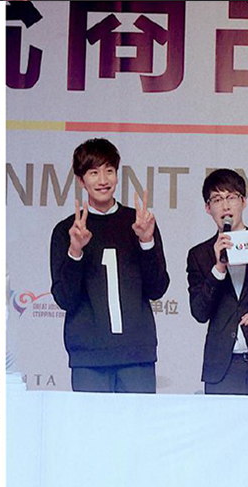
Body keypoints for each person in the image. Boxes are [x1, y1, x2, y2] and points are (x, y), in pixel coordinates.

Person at [49, 138, 169, 393]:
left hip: (137, 354)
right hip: (88, 357)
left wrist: (146, 242)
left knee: (139, 420)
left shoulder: (139, 223)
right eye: (94, 172)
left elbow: (157, 288)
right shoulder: (67, 230)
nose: (103, 180)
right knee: (91, 421)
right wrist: (75, 251)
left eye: (109, 171)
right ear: (81, 180)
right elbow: (65, 299)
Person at [187, 168, 248, 394]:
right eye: (217, 199)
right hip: (222, 369)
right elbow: (199, 312)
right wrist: (218, 267)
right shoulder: (200, 255)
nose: (225, 206)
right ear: (208, 208)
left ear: (243, 202)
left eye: (231, 197)